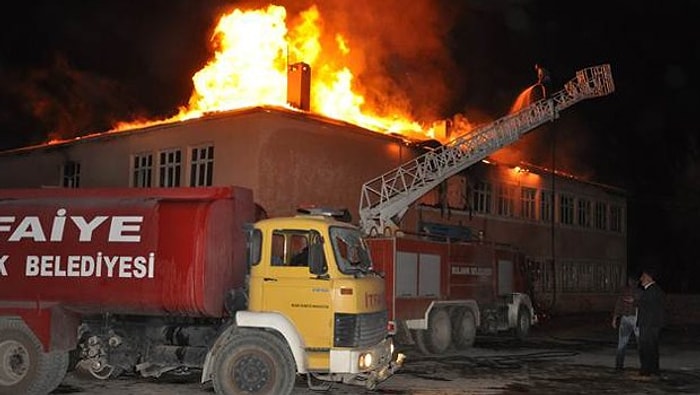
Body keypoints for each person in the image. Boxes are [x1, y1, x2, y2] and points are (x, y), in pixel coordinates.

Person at [636, 267, 666, 378]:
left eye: (643, 277)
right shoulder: (655, 290)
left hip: (649, 324)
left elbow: (649, 307)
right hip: (652, 324)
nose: (641, 279)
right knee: (652, 348)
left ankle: (646, 370)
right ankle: (653, 370)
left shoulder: (652, 290)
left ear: (648, 277)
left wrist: (636, 302)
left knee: (646, 347)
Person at [611, 274, 641, 371]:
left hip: (631, 318)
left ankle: (619, 365)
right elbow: (619, 305)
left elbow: (618, 305)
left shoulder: (636, 292)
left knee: (623, 343)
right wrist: (615, 318)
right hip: (630, 318)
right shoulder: (637, 292)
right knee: (629, 343)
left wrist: (615, 318)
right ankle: (643, 365)